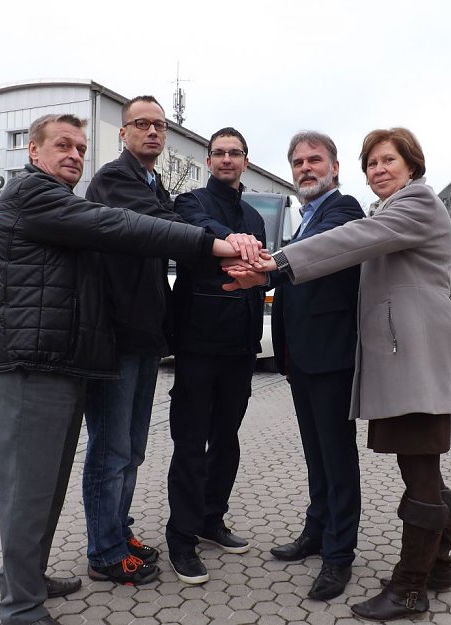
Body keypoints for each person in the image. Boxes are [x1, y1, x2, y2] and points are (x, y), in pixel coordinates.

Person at [0, 113, 240, 625]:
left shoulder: (60, 201)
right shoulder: (33, 195)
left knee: (46, 484)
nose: (74, 154)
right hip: (31, 361)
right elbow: (117, 224)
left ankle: (27, 577)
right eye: (62, 146)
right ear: (34, 153)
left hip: (59, 359)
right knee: (29, 487)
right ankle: (21, 606)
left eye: (79, 146)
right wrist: (212, 244)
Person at [225, 127, 451, 621]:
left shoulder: (414, 205)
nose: (379, 170)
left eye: (388, 160)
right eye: (372, 162)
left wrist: (275, 264)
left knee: (421, 473)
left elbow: (354, 240)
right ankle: (438, 568)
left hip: (414, 360)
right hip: (400, 361)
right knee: (423, 471)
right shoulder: (392, 210)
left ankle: (409, 589)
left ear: (412, 165)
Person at [80, 95, 179, 586]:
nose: (152, 132)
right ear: (123, 133)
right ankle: (104, 552)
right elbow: (166, 229)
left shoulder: (154, 182)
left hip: (145, 337)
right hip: (114, 337)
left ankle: (119, 529)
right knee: (111, 448)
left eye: (159, 125)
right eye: (141, 124)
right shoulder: (114, 181)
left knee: (134, 448)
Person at [165, 127, 266, 584]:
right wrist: (234, 239)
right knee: (190, 442)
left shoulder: (255, 216)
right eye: (219, 153)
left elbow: (261, 275)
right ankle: (181, 538)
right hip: (196, 344)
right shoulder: (189, 202)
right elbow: (200, 233)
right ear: (209, 161)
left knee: (227, 439)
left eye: (235, 153)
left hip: (239, 347)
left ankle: (211, 518)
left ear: (246, 160)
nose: (227, 159)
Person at [267, 131, 365, 601]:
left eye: (314, 160)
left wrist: (269, 264)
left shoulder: (342, 211)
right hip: (302, 359)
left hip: (331, 358)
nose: (306, 168)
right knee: (315, 454)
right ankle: (316, 530)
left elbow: (320, 254)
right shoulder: (304, 219)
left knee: (337, 457)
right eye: (298, 162)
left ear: (335, 167)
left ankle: (339, 555)